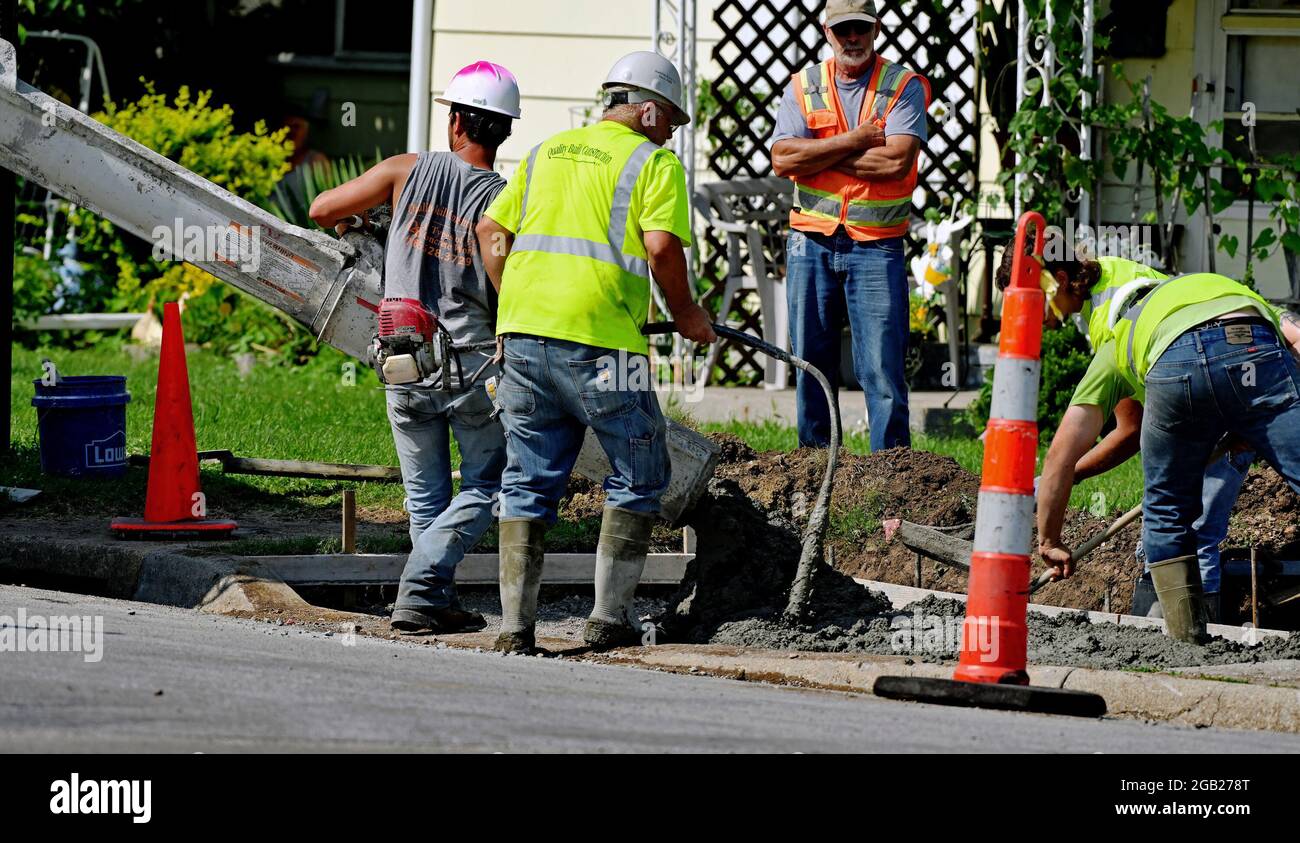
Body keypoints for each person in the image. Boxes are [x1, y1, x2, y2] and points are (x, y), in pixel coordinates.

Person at [476, 51, 716, 654]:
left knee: (528, 480)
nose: (675, 134)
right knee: (640, 471)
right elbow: (660, 248)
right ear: (647, 110)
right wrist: (687, 314)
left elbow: (490, 232)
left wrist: (519, 303)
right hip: (607, 345)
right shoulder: (653, 162)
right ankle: (608, 621)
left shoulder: (546, 151)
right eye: (673, 121)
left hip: (525, 340)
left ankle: (514, 630)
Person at [308, 62, 521, 634]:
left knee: (425, 498)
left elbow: (322, 209)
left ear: (455, 123)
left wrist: (370, 220)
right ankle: (421, 592)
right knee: (488, 485)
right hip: (471, 367)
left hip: (402, 357)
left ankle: (427, 602)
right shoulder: (504, 200)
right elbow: (506, 276)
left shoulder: (405, 171)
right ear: (503, 132)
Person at [1033, 271, 1300, 641]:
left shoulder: (1121, 339)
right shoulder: (1215, 285)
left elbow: (1059, 453)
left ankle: (1186, 643)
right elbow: (1295, 340)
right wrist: (1254, 417)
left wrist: (1050, 541)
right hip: (1252, 340)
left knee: (1166, 513)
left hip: (1172, 366)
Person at [995, 243, 1253, 621]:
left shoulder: (1115, 319)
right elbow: (1131, 429)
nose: (1027, 318)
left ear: (1061, 280)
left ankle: (1200, 645)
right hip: (1206, 406)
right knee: (1166, 531)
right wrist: (1062, 478)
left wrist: (1062, 474)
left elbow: (1113, 435)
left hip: (1217, 418)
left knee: (1196, 535)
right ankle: (1164, 633)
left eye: (1030, 304)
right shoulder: (1112, 278)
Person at [770, 0, 930, 451]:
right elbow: (783, 159)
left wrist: (818, 152)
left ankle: (891, 473)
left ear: (876, 28)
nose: (852, 38)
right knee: (810, 365)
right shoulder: (804, 85)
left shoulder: (903, 86)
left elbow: (896, 163)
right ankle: (815, 465)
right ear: (827, 32)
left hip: (876, 245)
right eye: (843, 31)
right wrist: (857, 140)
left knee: (882, 367)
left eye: (860, 28)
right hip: (811, 241)